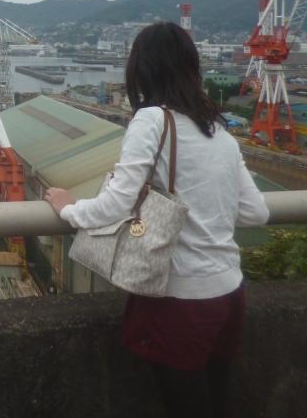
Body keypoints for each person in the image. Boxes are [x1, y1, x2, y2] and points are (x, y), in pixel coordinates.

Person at [44, 22, 269, 418]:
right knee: (217, 403)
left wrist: (67, 209)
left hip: (180, 299)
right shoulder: (220, 132)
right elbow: (256, 212)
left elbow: (117, 204)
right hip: (229, 294)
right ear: (192, 69)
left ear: (142, 69)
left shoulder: (152, 120)